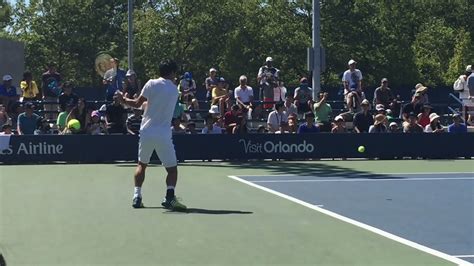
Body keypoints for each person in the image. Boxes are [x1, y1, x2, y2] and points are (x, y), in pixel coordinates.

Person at [116, 59, 186, 210]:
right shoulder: (174, 90)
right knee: (172, 169)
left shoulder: (150, 84)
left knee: (142, 165)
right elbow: (154, 104)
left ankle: (137, 196)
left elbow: (136, 104)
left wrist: (123, 100)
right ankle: (169, 197)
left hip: (146, 132)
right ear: (172, 73)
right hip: (163, 134)